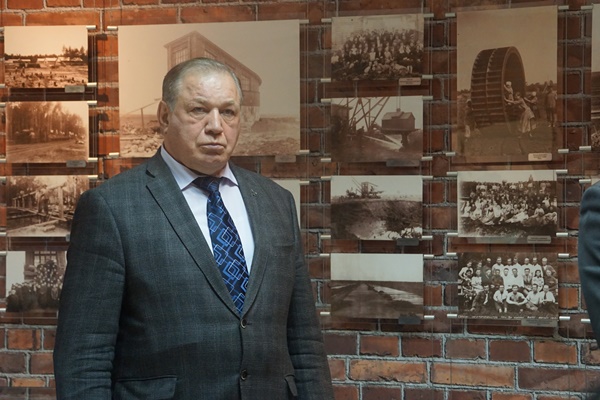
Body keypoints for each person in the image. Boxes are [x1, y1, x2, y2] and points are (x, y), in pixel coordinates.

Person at [53, 58, 334, 399]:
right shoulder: (111, 208)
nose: (216, 126)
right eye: (199, 110)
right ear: (164, 115)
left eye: (228, 112)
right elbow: (84, 357)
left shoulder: (276, 202)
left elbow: (304, 341)